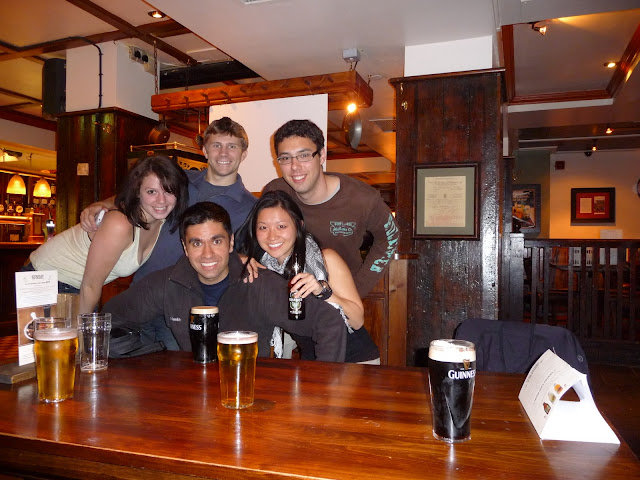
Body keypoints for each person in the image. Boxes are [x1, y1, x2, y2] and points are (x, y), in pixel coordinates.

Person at [80, 117, 257, 347]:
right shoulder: (180, 180)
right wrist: (103, 204)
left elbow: (239, 255)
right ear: (204, 150)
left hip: (183, 308)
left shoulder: (251, 207)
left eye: (232, 146)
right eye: (216, 145)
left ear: (244, 153)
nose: (223, 153)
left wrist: (244, 257)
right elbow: (137, 193)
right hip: (142, 292)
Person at [102, 202, 346, 362]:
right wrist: (154, 357)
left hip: (249, 395)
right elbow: (110, 317)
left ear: (231, 243)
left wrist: (322, 386)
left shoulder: (259, 284)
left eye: (216, 241)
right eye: (197, 243)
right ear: (185, 248)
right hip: (190, 401)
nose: (207, 254)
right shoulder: (167, 283)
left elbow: (329, 322)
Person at [26, 155, 189, 314]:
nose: (161, 200)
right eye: (152, 192)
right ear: (138, 192)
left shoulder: (161, 221)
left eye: (168, 191)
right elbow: (90, 286)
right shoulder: (120, 224)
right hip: (45, 280)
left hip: (76, 287)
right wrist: (85, 329)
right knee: (74, 333)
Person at [262, 119, 399, 298]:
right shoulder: (275, 192)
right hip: (289, 299)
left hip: (340, 301)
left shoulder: (362, 199)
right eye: (286, 158)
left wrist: (358, 288)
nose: (295, 167)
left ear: (322, 155)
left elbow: (391, 237)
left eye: (304, 155)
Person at [239, 190, 380, 363]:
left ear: (299, 225)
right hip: (312, 361)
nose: (272, 236)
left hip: (355, 360)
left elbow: (357, 321)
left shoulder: (327, 258)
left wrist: (322, 291)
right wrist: (239, 259)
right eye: (263, 227)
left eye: (281, 226)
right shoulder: (264, 268)